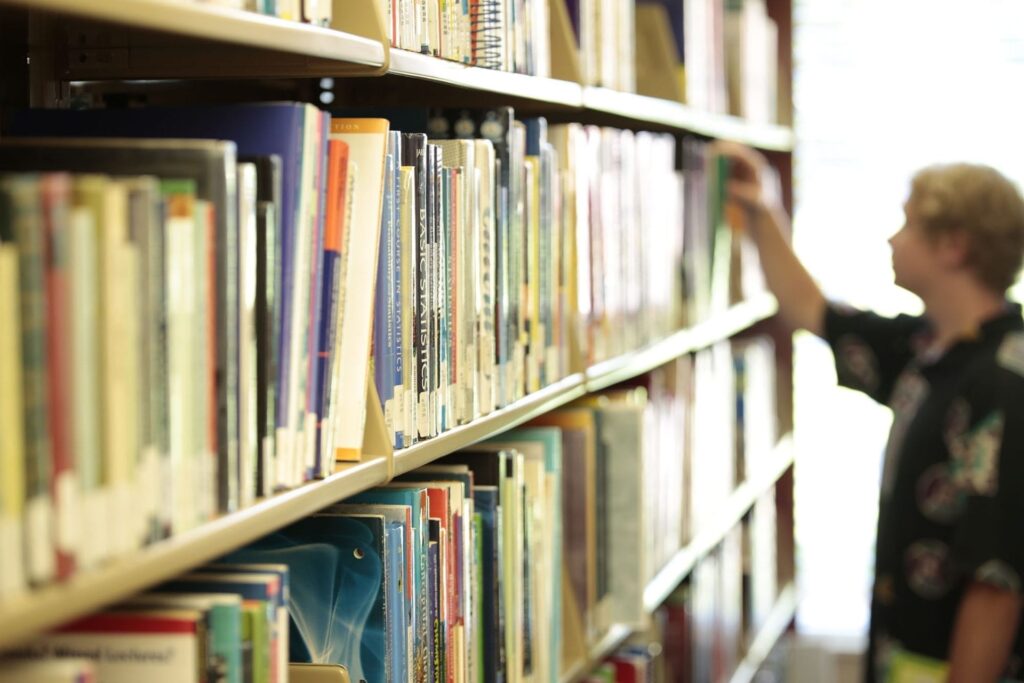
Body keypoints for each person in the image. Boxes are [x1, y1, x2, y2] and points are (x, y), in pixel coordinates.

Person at [714, 140, 1024, 683]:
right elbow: (814, 312)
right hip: (906, 654)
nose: (891, 238)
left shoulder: (1004, 380)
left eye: (906, 224)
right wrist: (764, 208)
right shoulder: (929, 347)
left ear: (953, 245)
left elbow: (997, 579)